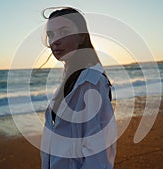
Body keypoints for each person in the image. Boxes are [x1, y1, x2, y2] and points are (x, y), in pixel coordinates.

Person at [40, 7, 117, 169]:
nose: (55, 41)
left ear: (81, 35)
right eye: (51, 35)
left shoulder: (90, 82)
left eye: (64, 32)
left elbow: (98, 151)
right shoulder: (72, 77)